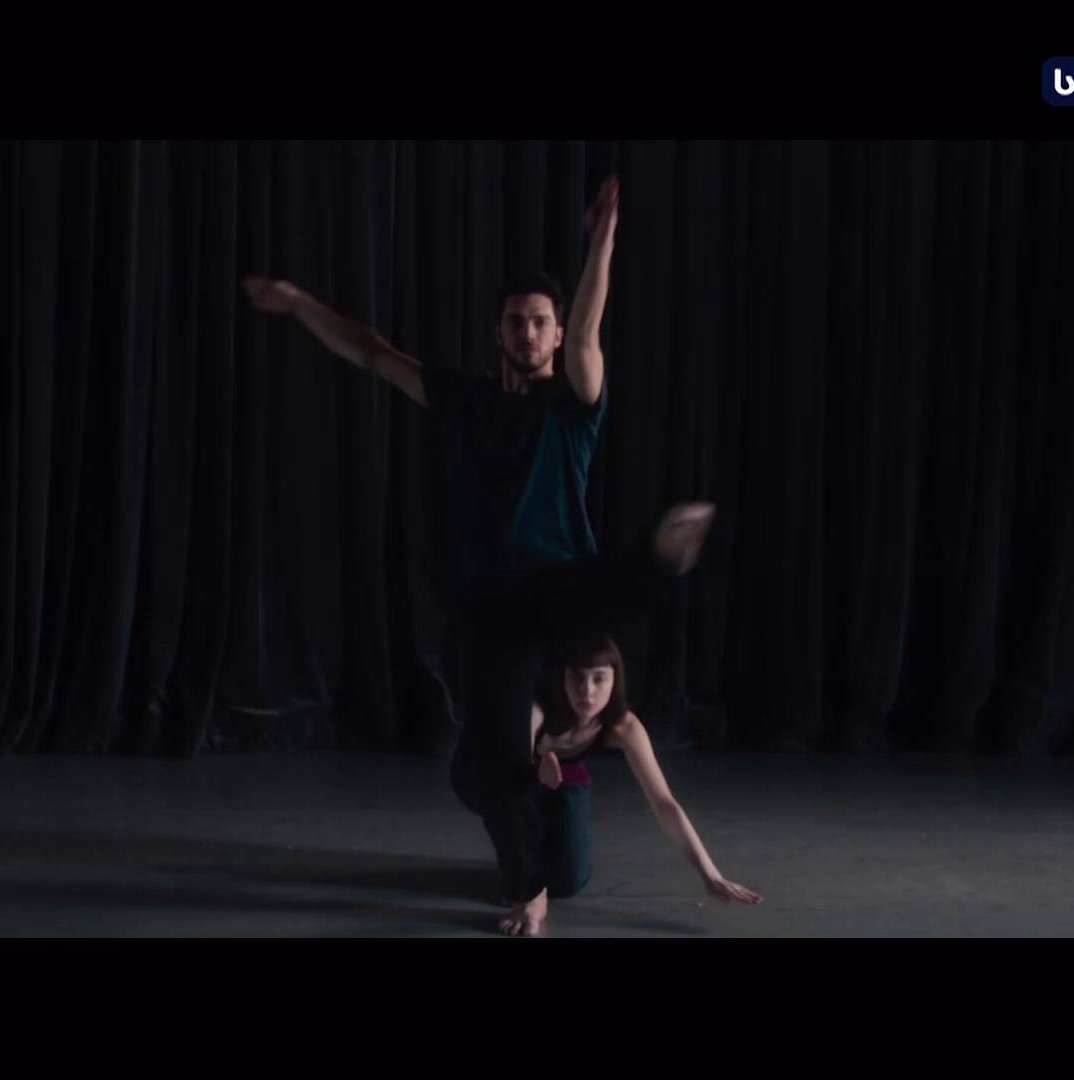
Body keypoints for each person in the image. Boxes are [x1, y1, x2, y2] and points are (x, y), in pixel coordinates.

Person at [245, 177, 731, 934]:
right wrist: (302, 304)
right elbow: (372, 354)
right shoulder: (466, 399)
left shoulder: (572, 404)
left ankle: (663, 556)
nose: (529, 334)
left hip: (562, 584)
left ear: (554, 334)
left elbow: (591, 329)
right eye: (516, 323)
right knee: (492, 764)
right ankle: (527, 888)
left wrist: (602, 244)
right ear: (498, 333)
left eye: (541, 323)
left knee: (601, 587)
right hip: (489, 607)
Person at [505, 633, 761, 935]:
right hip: (519, 783)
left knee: (567, 882)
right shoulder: (537, 709)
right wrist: (532, 893)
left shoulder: (623, 725)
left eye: (599, 679)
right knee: (521, 856)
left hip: (568, 781)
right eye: (577, 678)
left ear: (615, 680)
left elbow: (664, 803)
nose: (587, 692)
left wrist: (710, 874)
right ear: (563, 678)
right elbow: (504, 781)